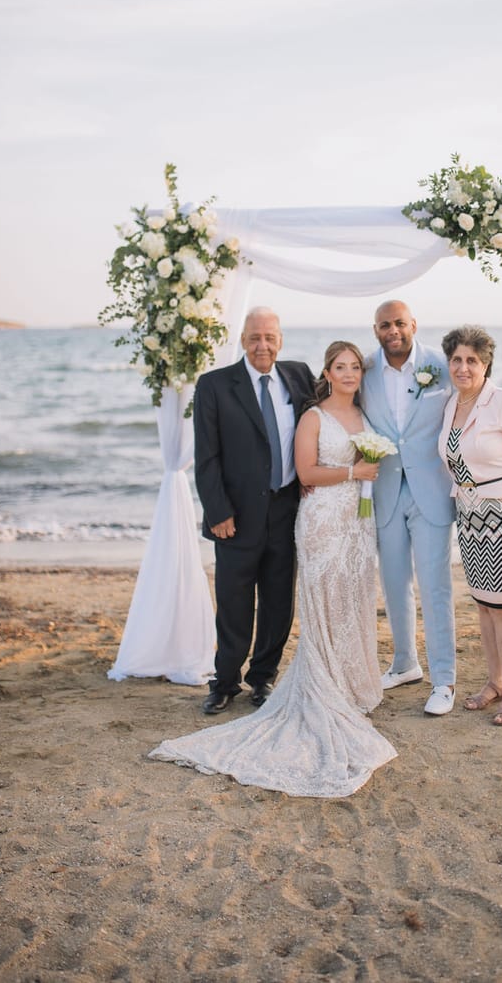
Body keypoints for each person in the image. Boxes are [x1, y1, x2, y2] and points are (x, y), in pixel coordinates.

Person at [150, 342, 397, 797]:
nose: (348, 373)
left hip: (338, 521)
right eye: (340, 367)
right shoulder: (297, 411)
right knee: (260, 598)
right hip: (300, 517)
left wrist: (362, 480)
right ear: (326, 372)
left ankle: (308, 679)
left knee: (324, 601)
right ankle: (231, 681)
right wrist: (352, 475)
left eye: (355, 366)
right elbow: (290, 469)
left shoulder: (334, 397)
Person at [192, 307, 315, 715]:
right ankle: (224, 681)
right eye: (254, 337)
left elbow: (336, 407)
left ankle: (262, 677)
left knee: (279, 601)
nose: (262, 345)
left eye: (270, 337)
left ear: (280, 339)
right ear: (242, 339)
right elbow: (206, 457)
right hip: (236, 516)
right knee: (233, 600)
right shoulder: (214, 385)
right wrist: (217, 511)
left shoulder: (299, 376)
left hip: (287, 510)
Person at [438, 325, 502, 727]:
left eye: (472, 361)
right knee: (484, 606)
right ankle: (494, 682)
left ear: (486, 364)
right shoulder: (451, 405)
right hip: (470, 516)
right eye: (457, 360)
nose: (463, 368)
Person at [359, 300, 457, 716]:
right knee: (394, 583)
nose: (393, 330)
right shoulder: (363, 370)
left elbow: (467, 409)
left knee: (435, 586)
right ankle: (404, 663)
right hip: (385, 490)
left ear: (414, 324)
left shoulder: (442, 364)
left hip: (431, 489)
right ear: (376, 329)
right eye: (385, 325)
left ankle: (444, 680)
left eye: (400, 323)